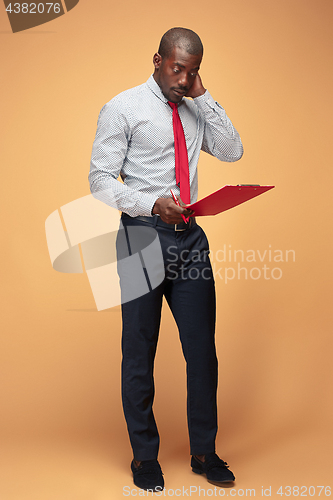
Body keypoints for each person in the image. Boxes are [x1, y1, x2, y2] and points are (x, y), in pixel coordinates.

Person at [89, 27, 243, 492]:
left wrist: (204, 94)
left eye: (191, 71)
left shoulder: (195, 107)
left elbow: (233, 151)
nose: (183, 78)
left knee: (202, 352)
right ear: (157, 60)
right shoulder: (122, 108)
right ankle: (144, 458)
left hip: (190, 238)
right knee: (140, 353)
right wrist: (150, 202)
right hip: (142, 235)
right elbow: (99, 181)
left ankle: (204, 451)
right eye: (177, 69)